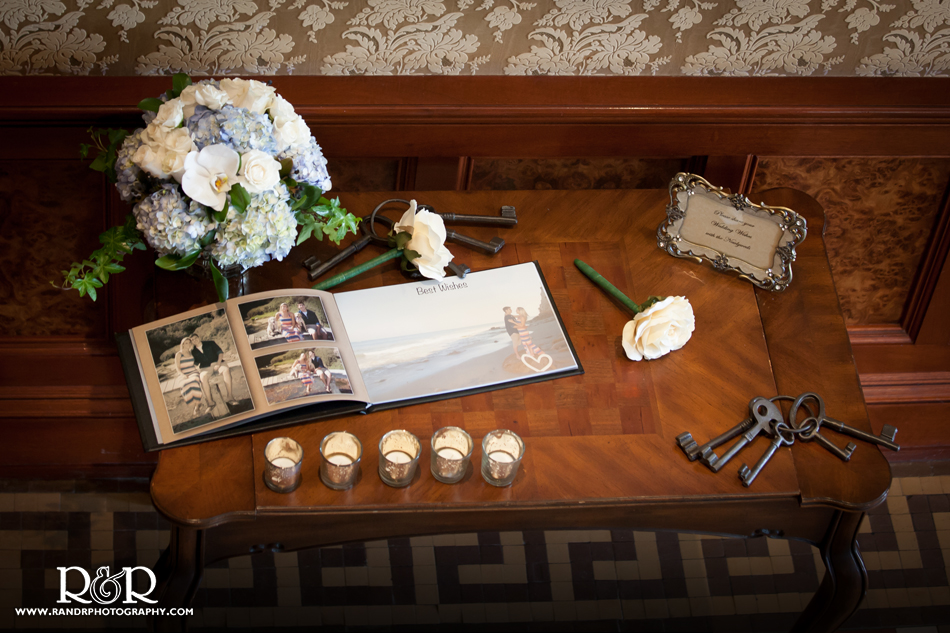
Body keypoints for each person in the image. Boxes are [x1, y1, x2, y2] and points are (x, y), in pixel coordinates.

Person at [188, 334, 240, 409]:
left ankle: (230, 397)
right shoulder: (193, 351)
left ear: (199, 337)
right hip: (205, 367)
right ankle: (210, 403)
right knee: (202, 377)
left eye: (195, 338)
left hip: (218, 363)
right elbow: (195, 363)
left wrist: (218, 364)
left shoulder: (210, 343)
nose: (194, 340)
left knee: (226, 370)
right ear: (191, 342)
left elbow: (220, 353)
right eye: (192, 340)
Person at [174, 338, 208, 417]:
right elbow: (177, 367)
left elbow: (196, 362)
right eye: (186, 343)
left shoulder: (191, 352)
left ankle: (197, 406)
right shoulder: (179, 354)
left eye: (189, 342)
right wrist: (182, 375)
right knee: (184, 384)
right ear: (182, 344)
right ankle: (198, 403)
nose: (188, 344)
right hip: (183, 373)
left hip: (193, 372)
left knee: (194, 381)